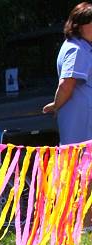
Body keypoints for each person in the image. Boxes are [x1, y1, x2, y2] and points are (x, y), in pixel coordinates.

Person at [43, 2, 92, 145]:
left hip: (81, 115)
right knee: (79, 160)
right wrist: (56, 105)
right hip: (81, 118)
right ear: (79, 25)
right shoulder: (77, 49)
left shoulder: (81, 46)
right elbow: (66, 84)